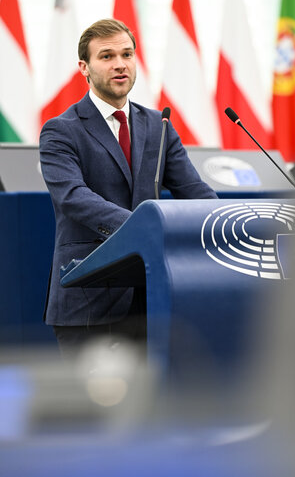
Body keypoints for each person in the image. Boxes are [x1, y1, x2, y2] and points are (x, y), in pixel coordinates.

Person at [39, 18, 218, 357]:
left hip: (154, 302)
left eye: (127, 54)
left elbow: (195, 192)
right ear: (84, 68)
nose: (119, 64)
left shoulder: (158, 125)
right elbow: (74, 198)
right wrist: (143, 229)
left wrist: (225, 222)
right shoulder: (60, 131)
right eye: (106, 56)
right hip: (90, 302)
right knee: (93, 410)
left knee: (153, 409)